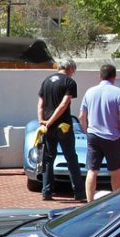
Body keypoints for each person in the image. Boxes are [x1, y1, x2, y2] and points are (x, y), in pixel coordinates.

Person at [78, 63, 120, 202]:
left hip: (93, 136)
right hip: (113, 136)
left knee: (92, 170)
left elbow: (81, 116)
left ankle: (90, 202)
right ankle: (117, 201)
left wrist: (87, 131)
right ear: (114, 77)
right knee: (116, 171)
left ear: (100, 76)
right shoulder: (119, 93)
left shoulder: (89, 92)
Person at [36, 58, 83, 201]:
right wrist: (51, 121)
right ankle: (79, 192)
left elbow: (40, 104)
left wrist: (42, 121)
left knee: (48, 158)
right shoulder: (69, 82)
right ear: (71, 69)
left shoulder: (46, 81)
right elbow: (63, 104)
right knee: (71, 158)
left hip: (47, 127)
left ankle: (46, 191)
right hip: (63, 126)